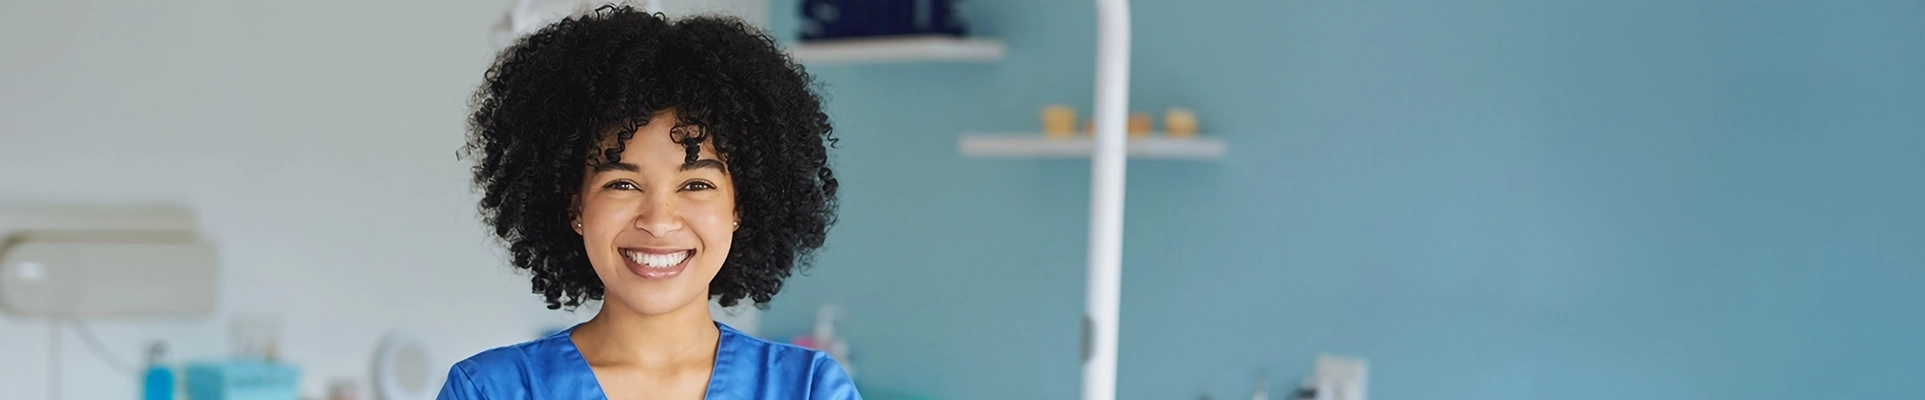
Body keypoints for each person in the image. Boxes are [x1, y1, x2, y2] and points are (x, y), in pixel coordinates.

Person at [438, 5, 853, 399]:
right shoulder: (489, 391)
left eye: (695, 185)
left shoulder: (810, 389)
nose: (658, 221)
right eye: (622, 184)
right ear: (575, 205)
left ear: (740, 206)